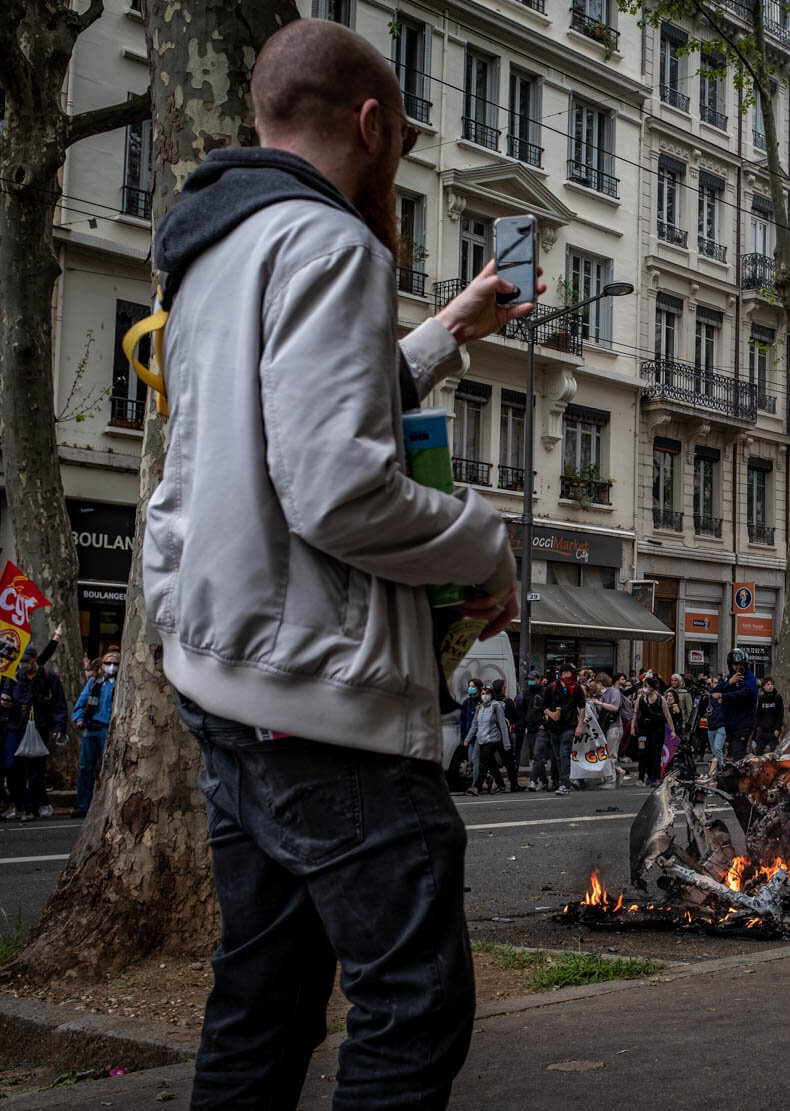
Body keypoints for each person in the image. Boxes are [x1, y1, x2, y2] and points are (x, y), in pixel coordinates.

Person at [140, 19, 536, 1106]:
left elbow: (276, 423)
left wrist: (447, 330)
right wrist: (484, 544)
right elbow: (336, 491)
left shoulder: (214, 246)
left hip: (225, 678)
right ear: (374, 124)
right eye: (400, 137)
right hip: (322, 698)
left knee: (260, 1008)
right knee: (413, 1006)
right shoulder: (331, 243)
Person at [2, 642, 68, 822]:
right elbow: (5, 694)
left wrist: (59, 727)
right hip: (17, 726)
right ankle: (19, 803)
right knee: (11, 766)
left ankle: (31, 807)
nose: (23, 664)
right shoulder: (14, 675)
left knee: (35, 770)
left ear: (34, 659)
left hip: (39, 727)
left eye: (26, 660)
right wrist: (6, 701)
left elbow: (59, 704)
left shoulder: (49, 677)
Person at [70, 649, 121, 816]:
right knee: (86, 768)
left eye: (115, 663)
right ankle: (82, 805)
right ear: (102, 665)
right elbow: (81, 702)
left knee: (107, 768)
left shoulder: (121, 684)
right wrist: (78, 718)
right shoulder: (94, 682)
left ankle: (108, 805)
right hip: (91, 728)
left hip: (108, 729)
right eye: (108, 663)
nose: (111, 666)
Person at [710, 650, 759, 762]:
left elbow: (746, 693)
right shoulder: (728, 678)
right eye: (735, 664)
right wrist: (729, 683)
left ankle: (740, 777)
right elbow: (714, 691)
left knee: (738, 755)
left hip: (744, 723)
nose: (738, 667)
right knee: (731, 754)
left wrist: (724, 695)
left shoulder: (749, 677)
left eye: (741, 664)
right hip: (729, 723)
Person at [543, 666, 585, 795]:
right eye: (566, 673)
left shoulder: (577, 688)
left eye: (570, 673)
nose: (568, 675)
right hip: (554, 727)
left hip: (569, 725)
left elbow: (582, 707)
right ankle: (561, 780)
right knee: (557, 756)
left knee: (564, 753)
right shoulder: (551, 687)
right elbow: (544, 707)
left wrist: (579, 726)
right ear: (561, 674)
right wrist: (551, 714)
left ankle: (564, 784)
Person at [753, 675, 784, 755]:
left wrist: (777, 728)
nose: (770, 686)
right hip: (763, 730)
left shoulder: (777, 697)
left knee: (774, 753)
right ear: (763, 687)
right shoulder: (761, 698)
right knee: (758, 751)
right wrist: (757, 727)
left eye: (772, 684)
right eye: (768, 684)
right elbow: (758, 713)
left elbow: (780, 714)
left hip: (773, 731)